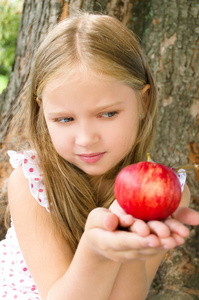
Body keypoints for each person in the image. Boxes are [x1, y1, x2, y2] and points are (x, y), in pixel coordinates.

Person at [0, 12, 199, 300]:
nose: (86, 139)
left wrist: (131, 245)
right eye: (65, 119)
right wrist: (96, 250)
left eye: (108, 114)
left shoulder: (170, 193)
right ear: (43, 112)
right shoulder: (32, 181)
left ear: (143, 101)